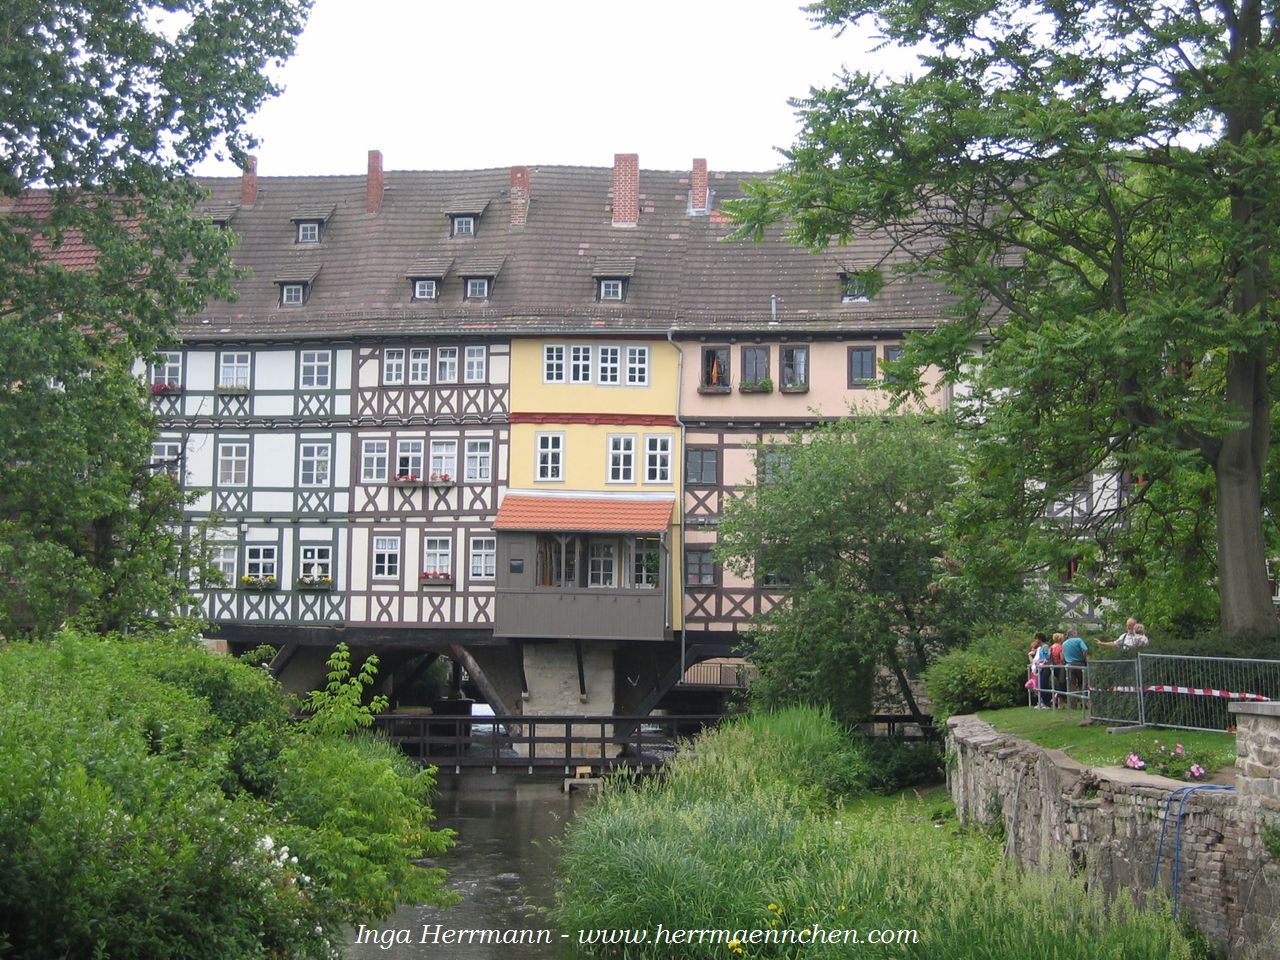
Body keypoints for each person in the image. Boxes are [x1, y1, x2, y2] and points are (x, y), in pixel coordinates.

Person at [1061, 627, 1089, 702]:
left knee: (1071, 685)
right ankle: (1085, 702)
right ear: (1073, 633)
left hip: (1069, 665)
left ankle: (1072, 703)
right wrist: (1083, 657)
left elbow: (1062, 655)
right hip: (1080, 664)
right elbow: (1085, 649)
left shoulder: (1064, 643)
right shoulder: (1078, 640)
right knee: (1083, 683)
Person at [1030, 632, 1053, 708]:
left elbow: (1047, 657)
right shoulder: (1040, 648)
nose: (1035, 641)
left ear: (1040, 639)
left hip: (1045, 668)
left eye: (1036, 639)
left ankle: (1047, 703)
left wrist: (1043, 662)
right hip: (1040, 668)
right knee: (1040, 685)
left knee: (1043, 684)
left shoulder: (1045, 647)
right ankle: (1043, 702)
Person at [1049, 633, 1066, 706]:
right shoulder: (1060, 647)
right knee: (1062, 684)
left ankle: (1057, 701)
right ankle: (1060, 703)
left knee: (1058, 685)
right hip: (1060, 667)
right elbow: (1062, 658)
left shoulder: (1052, 647)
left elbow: (1050, 657)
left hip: (1054, 667)